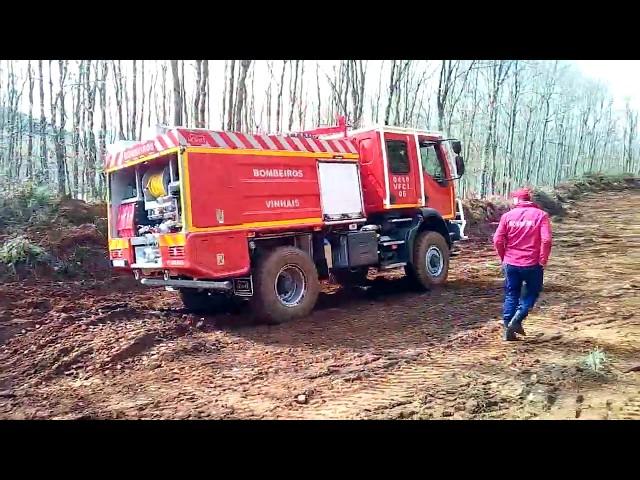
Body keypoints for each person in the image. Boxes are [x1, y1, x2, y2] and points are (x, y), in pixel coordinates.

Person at [493, 188, 553, 341]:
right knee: (532, 292)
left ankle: (508, 327)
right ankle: (518, 318)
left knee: (512, 293)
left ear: (516, 200)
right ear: (529, 199)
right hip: (532, 263)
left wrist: (503, 257)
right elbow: (546, 240)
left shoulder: (507, 216)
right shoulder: (541, 216)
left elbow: (497, 240)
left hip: (511, 263)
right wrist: (543, 259)